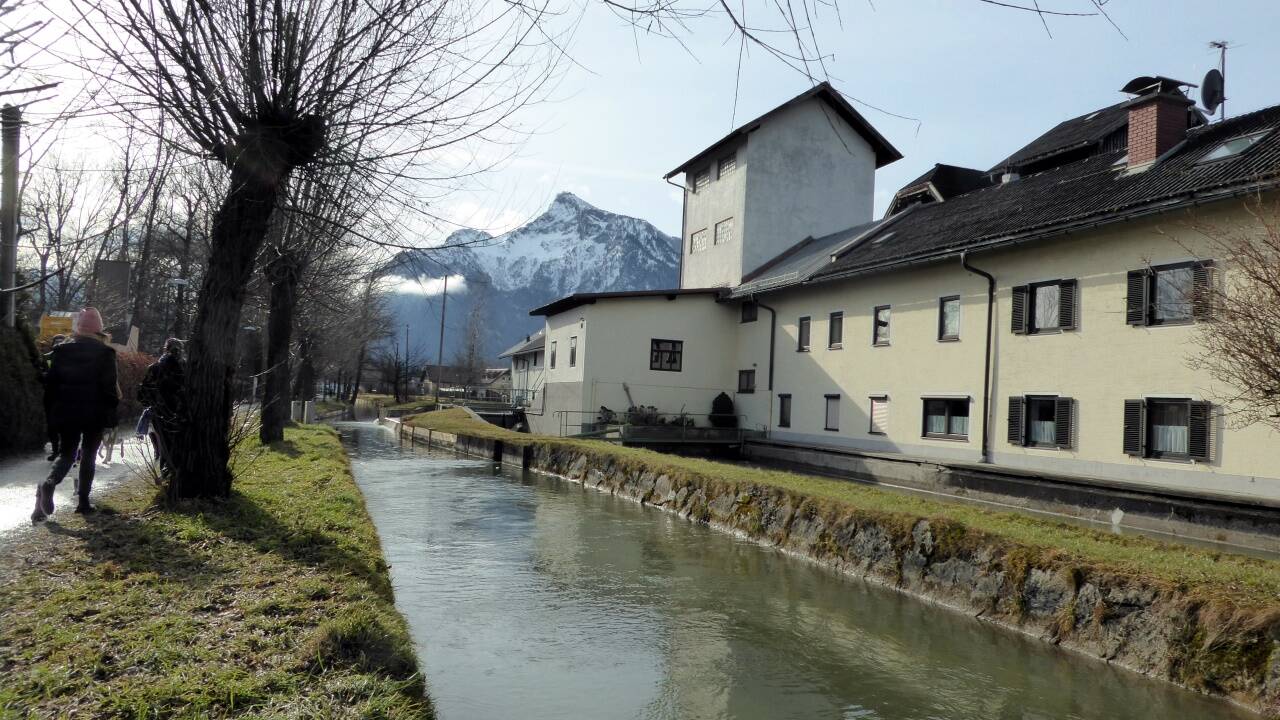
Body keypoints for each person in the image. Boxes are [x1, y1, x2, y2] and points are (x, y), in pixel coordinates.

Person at [32, 308, 120, 521]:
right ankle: (83, 503)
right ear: (99, 330)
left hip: (66, 410)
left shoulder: (61, 350)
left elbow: (51, 384)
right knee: (89, 455)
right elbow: (109, 388)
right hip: (94, 412)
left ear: (77, 329)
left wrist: (52, 412)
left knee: (67, 453)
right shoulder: (105, 353)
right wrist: (111, 415)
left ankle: (49, 483)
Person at [138, 338, 185, 480]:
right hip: (181, 412)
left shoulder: (155, 368)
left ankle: (167, 473)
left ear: (165, 349)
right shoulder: (186, 368)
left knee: (165, 444)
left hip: (160, 413)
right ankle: (177, 473)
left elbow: (142, 395)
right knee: (179, 443)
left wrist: (151, 403)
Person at [41, 334, 67, 461]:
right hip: (51, 395)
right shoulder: (47, 357)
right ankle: (55, 450)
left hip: (66, 396)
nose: (58, 344)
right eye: (56, 342)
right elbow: (41, 374)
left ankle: (64, 450)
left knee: (66, 424)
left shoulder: (71, 359)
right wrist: (45, 376)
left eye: (61, 342)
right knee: (51, 424)